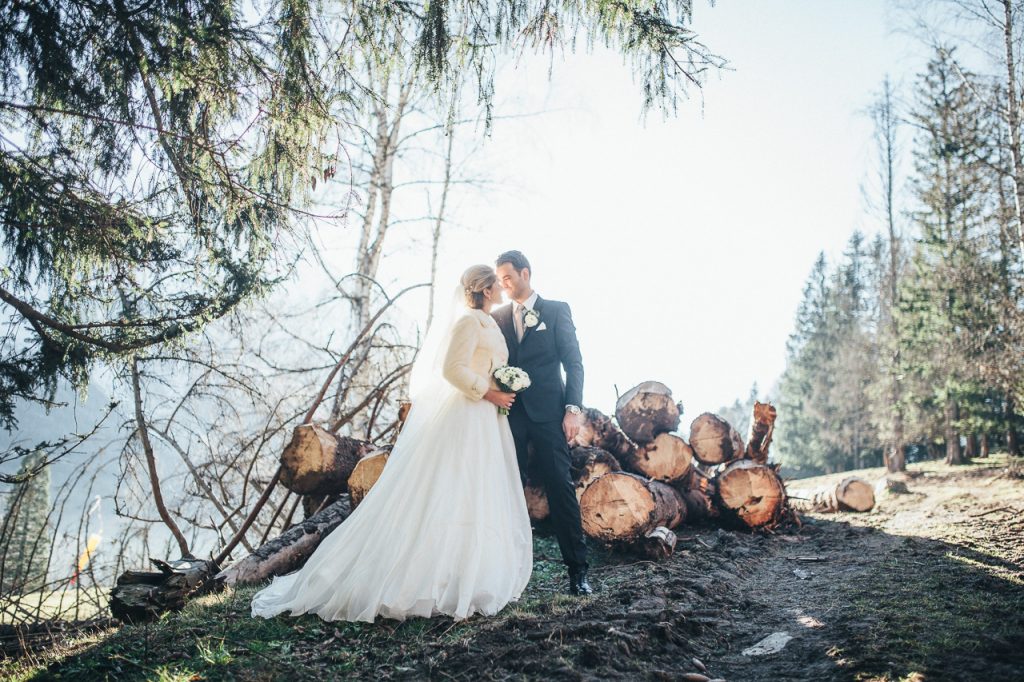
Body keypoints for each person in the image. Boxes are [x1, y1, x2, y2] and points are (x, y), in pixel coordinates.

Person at [250, 265, 532, 622]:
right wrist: (488, 392)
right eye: (496, 282)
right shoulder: (466, 322)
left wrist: (502, 387)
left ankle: (467, 573)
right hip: (466, 415)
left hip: (486, 421)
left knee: (474, 491)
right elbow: (451, 369)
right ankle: (430, 577)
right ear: (487, 289)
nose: (500, 287)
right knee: (450, 489)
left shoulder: (489, 322)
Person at [491, 250, 591, 596]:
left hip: (550, 415)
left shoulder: (556, 310)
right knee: (506, 488)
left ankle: (578, 571)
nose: (503, 285)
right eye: (499, 280)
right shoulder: (498, 316)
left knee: (560, 488)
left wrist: (572, 408)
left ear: (525, 273)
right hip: (510, 414)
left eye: (507, 277)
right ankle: (504, 572)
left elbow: (573, 363)